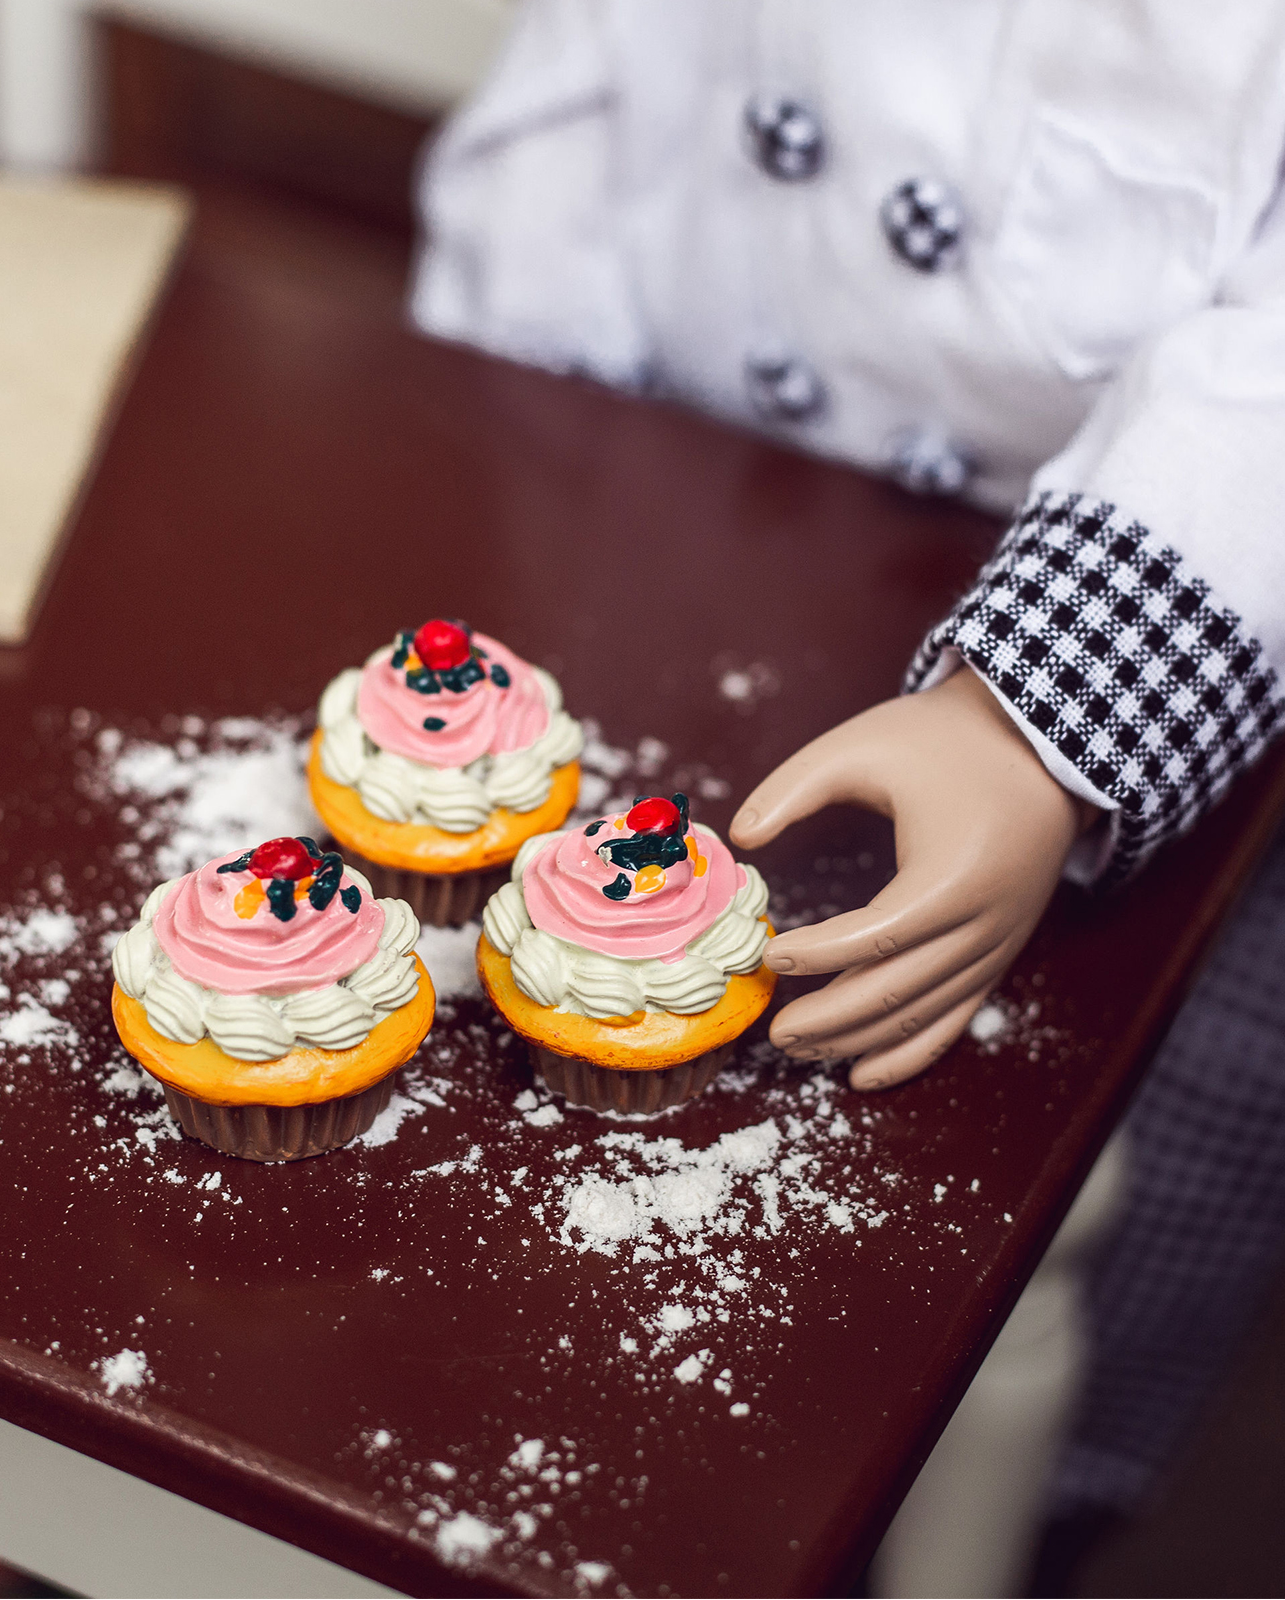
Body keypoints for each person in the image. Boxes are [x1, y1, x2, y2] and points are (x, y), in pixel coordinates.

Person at [408, 0, 1285, 1580]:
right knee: (622, 1225)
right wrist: (521, 422)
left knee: (1077, 1207)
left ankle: (1030, 1522)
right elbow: (603, 81)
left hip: (1187, 625)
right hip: (700, 529)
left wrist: (1040, 712)